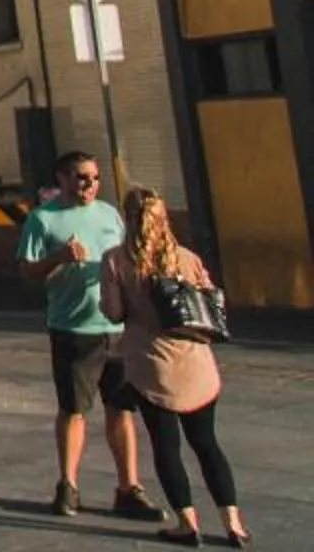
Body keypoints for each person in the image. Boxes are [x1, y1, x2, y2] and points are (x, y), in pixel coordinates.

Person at [100, 186, 247, 547]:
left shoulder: (116, 260)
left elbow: (115, 312)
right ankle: (234, 524)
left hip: (153, 367)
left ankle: (187, 523)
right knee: (207, 444)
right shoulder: (187, 258)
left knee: (166, 447)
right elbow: (211, 301)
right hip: (197, 364)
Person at [18, 151, 157, 521]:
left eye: (94, 178)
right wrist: (60, 257)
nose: (89, 185)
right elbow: (27, 271)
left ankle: (129, 489)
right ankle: (68, 485)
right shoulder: (42, 219)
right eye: (81, 178)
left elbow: (128, 258)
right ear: (61, 179)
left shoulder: (110, 215)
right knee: (74, 410)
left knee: (122, 409)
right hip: (74, 330)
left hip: (116, 328)